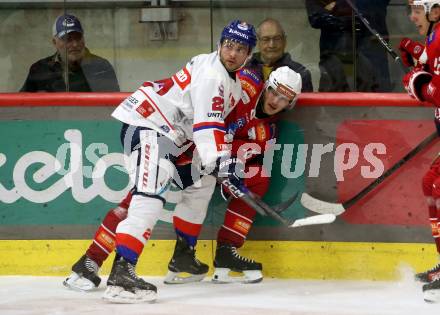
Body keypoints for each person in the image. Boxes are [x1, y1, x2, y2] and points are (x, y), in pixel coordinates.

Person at [99, 19, 257, 303]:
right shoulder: (213, 76)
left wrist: (223, 166)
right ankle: (121, 274)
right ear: (220, 45)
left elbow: (214, 127)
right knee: (149, 196)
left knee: (202, 182)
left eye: (240, 48)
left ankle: (183, 257)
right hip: (150, 126)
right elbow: (208, 127)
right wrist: (224, 163)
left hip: (171, 138)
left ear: (248, 55)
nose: (232, 53)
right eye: (228, 45)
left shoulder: (229, 82)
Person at [399, 0, 440, 302]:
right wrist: (419, 59)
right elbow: (431, 66)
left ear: (435, 10)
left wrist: (418, 82)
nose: (411, 16)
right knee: (431, 184)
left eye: (416, 10)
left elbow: (434, 89)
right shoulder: (435, 35)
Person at [305, 0, 392, 92]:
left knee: (378, 96)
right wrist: (345, 15)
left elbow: (373, 9)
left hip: (370, 46)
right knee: (334, 96)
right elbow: (315, 16)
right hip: (335, 50)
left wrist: (337, 6)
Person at [20, 14, 119, 92]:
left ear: (83, 39)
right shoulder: (40, 69)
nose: (75, 44)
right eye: (67, 39)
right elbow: (22, 107)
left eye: (78, 37)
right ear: (55, 42)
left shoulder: (101, 67)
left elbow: (114, 107)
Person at [246, 18, 313, 92]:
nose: (272, 45)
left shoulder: (300, 73)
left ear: (285, 41)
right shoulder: (245, 67)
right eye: (266, 39)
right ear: (257, 42)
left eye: (277, 38)